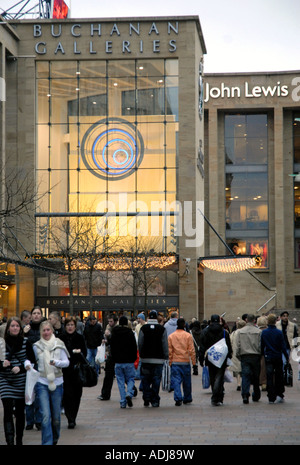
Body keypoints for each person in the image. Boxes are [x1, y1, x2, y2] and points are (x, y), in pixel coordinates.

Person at [0, 317, 36, 446]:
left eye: (17, 326)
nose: (15, 328)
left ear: (20, 329)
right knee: (8, 411)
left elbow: (33, 362)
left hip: (21, 380)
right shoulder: (2, 343)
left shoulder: (26, 342)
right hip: (5, 379)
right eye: (12, 326)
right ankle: (10, 441)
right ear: (8, 328)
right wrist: (2, 364)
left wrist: (20, 368)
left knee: (20, 412)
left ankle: (19, 440)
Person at [33, 320, 69, 445]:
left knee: (56, 418)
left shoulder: (59, 344)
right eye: (44, 330)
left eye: (48, 330)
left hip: (57, 383)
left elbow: (66, 362)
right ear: (40, 332)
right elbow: (33, 363)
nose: (46, 332)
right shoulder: (36, 346)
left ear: (52, 331)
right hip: (42, 383)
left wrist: (56, 362)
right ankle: (47, 442)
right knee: (45, 416)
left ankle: (54, 439)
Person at [199, 314, 232, 406]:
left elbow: (202, 346)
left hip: (210, 357)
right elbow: (228, 346)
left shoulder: (205, 331)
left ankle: (215, 395)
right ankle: (219, 397)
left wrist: (201, 359)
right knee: (220, 377)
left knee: (213, 377)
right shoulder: (224, 332)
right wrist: (229, 356)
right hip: (222, 357)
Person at [138, 310, 169, 407]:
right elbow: (165, 344)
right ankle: (155, 399)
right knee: (156, 380)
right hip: (158, 359)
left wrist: (141, 354)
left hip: (145, 359)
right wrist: (166, 355)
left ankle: (146, 397)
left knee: (146, 379)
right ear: (156, 317)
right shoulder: (162, 329)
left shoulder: (144, 328)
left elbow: (140, 343)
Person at [61, 316, 87, 429]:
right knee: (67, 395)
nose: (70, 327)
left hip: (77, 370)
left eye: (72, 325)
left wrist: (79, 353)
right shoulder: (61, 338)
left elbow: (85, 353)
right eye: (68, 325)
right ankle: (70, 418)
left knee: (77, 395)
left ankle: (73, 416)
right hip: (65, 371)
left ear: (75, 326)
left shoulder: (80, 337)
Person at [110, 316, 137, 408]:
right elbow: (134, 347)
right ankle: (129, 393)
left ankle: (122, 401)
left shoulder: (114, 332)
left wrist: (114, 358)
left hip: (118, 361)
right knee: (130, 379)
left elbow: (112, 347)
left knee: (120, 381)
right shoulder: (130, 333)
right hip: (129, 361)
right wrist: (133, 358)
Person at [261, 314, 289, 404]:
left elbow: (262, 345)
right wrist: (286, 356)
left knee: (269, 376)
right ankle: (279, 394)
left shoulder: (264, 332)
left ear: (268, 322)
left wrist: (262, 354)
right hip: (277, 356)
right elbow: (283, 346)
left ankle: (271, 396)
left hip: (268, 356)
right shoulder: (279, 332)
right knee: (278, 375)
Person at [168, 318, 196, 406]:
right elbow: (191, 350)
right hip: (185, 361)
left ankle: (178, 398)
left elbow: (170, 351)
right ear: (184, 325)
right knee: (187, 381)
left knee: (176, 381)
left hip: (175, 361)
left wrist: (170, 362)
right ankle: (187, 398)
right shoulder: (188, 336)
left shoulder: (171, 336)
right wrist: (194, 363)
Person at [25, 306, 44, 431]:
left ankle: (38, 420)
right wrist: (24, 333)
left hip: (41, 364)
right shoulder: (26, 329)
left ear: (41, 315)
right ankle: (29, 421)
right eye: (34, 313)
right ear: (31, 316)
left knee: (39, 394)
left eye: (38, 313)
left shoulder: (45, 328)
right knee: (28, 392)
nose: (36, 315)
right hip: (28, 364)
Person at [235, 314, 262, 404]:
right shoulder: (258, 331)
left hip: (245, 355)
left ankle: (245, 394)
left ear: (246, 320)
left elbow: (237, 345)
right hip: (255, 355)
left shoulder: (240, 331)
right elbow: (260, 345)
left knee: (245, 376)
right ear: (254, 320)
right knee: (256, 376)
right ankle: (256, 394)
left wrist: (238, 355)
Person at [98, 314, 118, 400]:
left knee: (121, 374)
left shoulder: (117, 329)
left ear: (115, 321)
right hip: (110, 354)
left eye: (111, 321)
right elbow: (109, 342)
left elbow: (115, 341)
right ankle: (105, 394)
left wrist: (109, 336)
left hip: (117, 354)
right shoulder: (108, 327)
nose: (110, 323)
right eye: (109, 321)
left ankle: (132, 390)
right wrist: (105, 339)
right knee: (108, 375)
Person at [230, 319, 246, 391]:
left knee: (237, 371)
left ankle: (238, 383)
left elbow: (230, 343)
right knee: (244, 369)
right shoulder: (245, 332)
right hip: (244, 352)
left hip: (235, 353)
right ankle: (244, 383)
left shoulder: (233, 333)